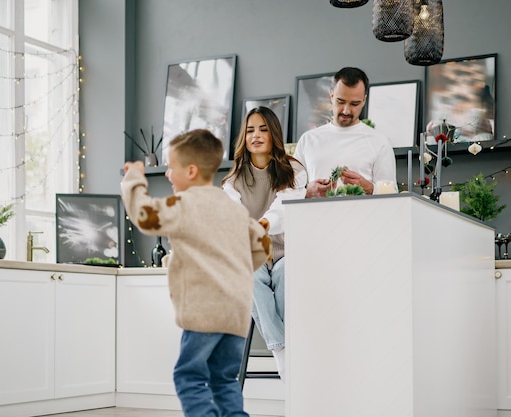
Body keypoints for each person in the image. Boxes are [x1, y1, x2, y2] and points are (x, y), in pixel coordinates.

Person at [121, 128, 271, 417]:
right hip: (237, 314)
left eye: (171, 168)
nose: (167, 174)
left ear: (190, 171)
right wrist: (235, 270)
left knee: (188, 378)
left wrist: (135, 178)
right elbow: (262, 244)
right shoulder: (234, 209)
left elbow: (144, 215)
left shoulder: (184, 205)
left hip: (205, 312)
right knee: (224, 379)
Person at [222, 106, 307, 379]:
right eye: (250, 130)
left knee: (284, 275)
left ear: (274, 134)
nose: (256, 135)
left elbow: (284, 209)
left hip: (285, 251)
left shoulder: (293, 170)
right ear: (243, 138)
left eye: (263, 129)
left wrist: (261, 225)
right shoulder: (233, 180)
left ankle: (281, 348)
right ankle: (283, 351)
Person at [293, 67, 397, 197]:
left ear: (364, 100)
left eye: (354, 104)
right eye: (340, 102)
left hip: (363, 217)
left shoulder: (379, 142)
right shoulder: (308, 140)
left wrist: (369, 188)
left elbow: (393, 197)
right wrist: (307, 192)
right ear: (331, 96)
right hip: (315, 217)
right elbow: (288, 191)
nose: (346, 111)